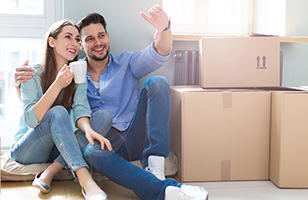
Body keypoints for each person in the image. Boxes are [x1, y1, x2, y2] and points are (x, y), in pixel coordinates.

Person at [14, 5, 209, 200]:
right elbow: (39, 116)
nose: (97, 42)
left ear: (107, 36)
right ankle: (166, 190)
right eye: (89, 39)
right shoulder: (70, 74)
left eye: (101, 36)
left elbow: (159, 52)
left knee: (156, 82)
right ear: (82, 45)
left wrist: (164, 28)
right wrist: (18, 86)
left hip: (132, 135)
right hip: (104, 142)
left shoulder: (125, 63)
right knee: (87, 142)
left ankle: (156, 167)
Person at [10, 19, 112, 200]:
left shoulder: (78, 74)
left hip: (58, 149)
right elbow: (31, 120)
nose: (74, 43)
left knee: (103, 117)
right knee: (58, 111)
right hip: (28, 149)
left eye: (77, 39)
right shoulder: (31, 72)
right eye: (68, 37)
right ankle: (84, 179)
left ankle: (51, 170)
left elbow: (81, 110)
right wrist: (57, 85)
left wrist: (89, 131)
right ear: (52, 42)